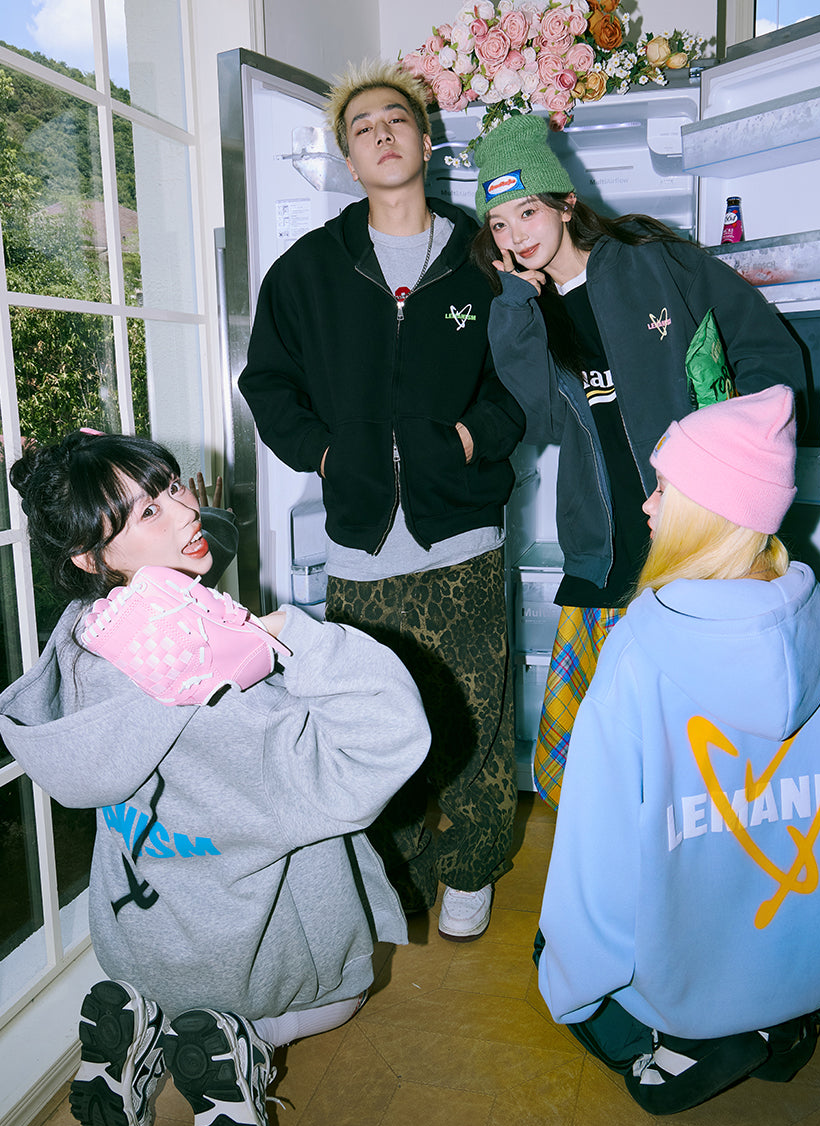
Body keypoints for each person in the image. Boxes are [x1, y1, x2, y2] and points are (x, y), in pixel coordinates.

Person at [0, 430, 431, 1126]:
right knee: (344, 997)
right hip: (250, 954)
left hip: (141, 942)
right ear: (90, 556)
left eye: (171, 486)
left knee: (178, 983)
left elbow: (196, 544)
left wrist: (164, 533)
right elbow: (389, 738)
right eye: (147, 512)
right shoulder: (233, 711)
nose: (184, 511)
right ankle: (237, 1049)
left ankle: (144, 1029)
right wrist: (291, 635)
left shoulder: (87, 641)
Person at [238, 62, 526, 940]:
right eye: (361, 127)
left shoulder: (483, 258)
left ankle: (471, 865)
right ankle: (395, 866)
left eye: (395, 119)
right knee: (373, 720)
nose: (381, 134)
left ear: (426, 142)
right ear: (349, 160)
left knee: (475, 711)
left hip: (463, 532)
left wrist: (469, 440)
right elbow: (267, 382)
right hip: (362, 543)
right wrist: (325, 453)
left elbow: (521, 377)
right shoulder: (307, 271)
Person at [534, 386, 820, 1114]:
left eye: (664, 488)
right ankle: (783, 1017)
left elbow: (596, 859)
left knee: (553, 957)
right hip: (816, 957)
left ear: (708, 511)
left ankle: (681, 1040)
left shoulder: (638, 650)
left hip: (686, 974)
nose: (648, 504)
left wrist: (569, 977)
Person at [471, 113, 806, 810]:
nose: (516, 235)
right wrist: (513, 306)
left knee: (698, 748)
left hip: (697, 536)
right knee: (587, 753)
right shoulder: (527, 305)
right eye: (499, 224)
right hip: (603, 546)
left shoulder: (649, 257)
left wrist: (737, 457)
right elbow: (539, 419)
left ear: (566, 203)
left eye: (527, 211)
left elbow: (764, 346)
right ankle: (610, 862)